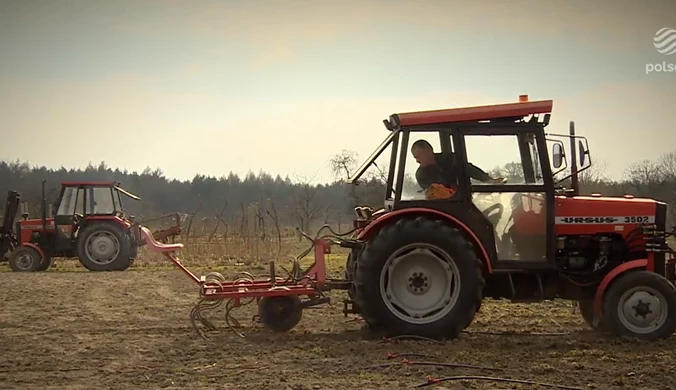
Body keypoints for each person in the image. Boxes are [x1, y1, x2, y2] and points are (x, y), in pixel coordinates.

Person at [411, 139, 504, 198]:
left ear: (429, 151)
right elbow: (433, 193)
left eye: (418, 156)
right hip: (446, 205)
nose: (417, 161)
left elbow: (468, 169)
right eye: (415, 157)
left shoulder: (450, 159)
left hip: (464, 199)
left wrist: (488, 180)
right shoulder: (421, 175)